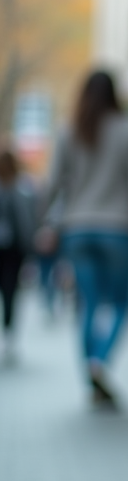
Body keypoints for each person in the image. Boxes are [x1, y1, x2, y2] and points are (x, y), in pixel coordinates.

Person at [42, 70, 128, 409]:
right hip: (117, 228)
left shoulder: (68, 130)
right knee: (121, 303)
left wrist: (45, 223)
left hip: (78, 228)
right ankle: (99, 361)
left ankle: (90, 366)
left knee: (87, 303)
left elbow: (51, 184)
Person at [0, 149, 34, 363]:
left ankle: (8, 336)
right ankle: (9, 336)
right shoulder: (19, 191)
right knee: (10, 292)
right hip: (13, 252)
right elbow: (24, 223)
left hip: (10, 251)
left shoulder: (18, 191)